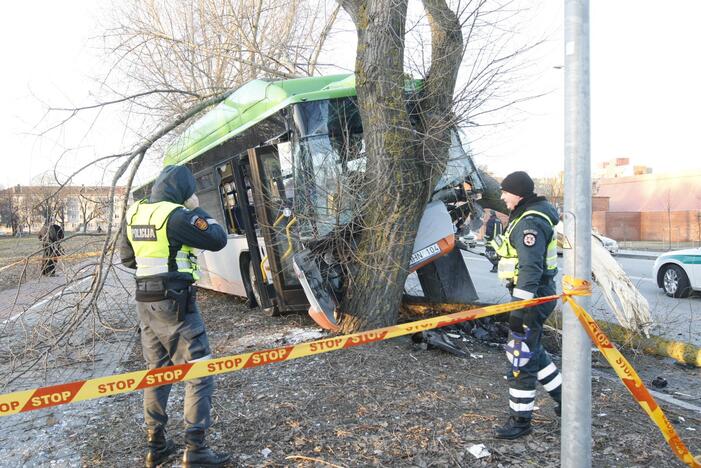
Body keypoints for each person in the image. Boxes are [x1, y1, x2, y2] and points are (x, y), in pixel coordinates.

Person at [120, 165, 230, 467]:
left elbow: (127, 258)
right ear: (183, 191)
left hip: (145, 302)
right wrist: (198, 209)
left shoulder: (134, 213)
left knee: (157, 372)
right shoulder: (177, 216)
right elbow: (218, 238)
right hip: (175, 303)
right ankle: (196, 449)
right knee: (198, 372)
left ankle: (156, 446)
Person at [490, 171, 562, 440]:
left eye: (505, 192)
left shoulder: (530, 222)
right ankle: (564, 400)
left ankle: (521, 420)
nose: (501, 196)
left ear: (517, 193)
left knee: (519, 354)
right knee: (532, 350)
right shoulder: (530, 215)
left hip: (530, 298)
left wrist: (519, 311)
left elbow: (531, 270)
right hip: (535, 297)